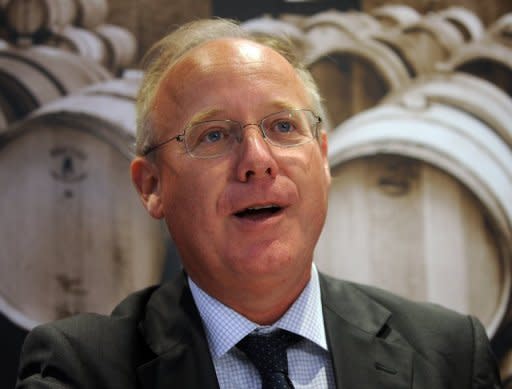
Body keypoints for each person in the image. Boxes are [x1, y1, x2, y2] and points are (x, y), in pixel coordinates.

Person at [16, 18, 501, 389]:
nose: (257, 161)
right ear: (152, 187)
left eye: (284, 127)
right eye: (213, 135)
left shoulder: (451, 354)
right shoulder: (80, 369)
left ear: (324, 158)